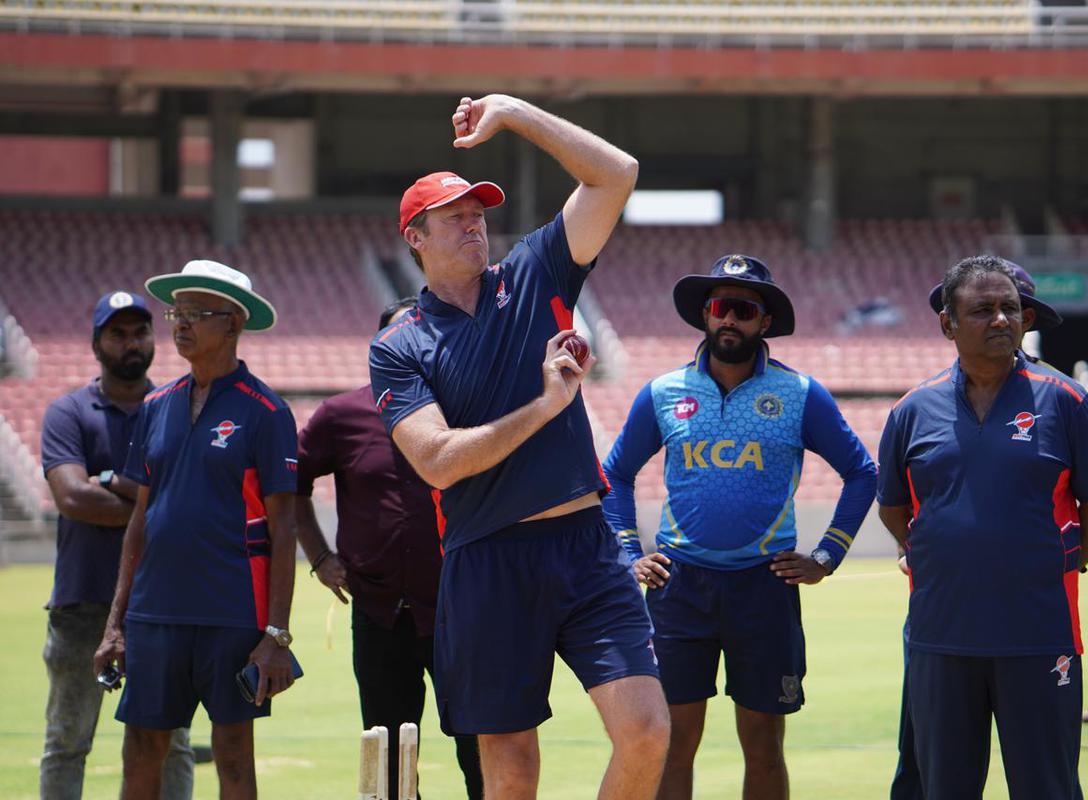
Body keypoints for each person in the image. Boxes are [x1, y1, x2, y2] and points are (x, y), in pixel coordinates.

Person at [369, 94, 669, 799]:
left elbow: (615, 174)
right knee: (511, 774)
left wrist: (512, 111)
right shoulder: (399, 345)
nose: (475, 224)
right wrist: (546, 407)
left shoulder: (535, 271)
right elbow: (437, 461)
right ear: (415, 236)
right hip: (487, 561)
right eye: (455, 216)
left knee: (648, 729)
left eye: (479, 213)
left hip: (585, 547)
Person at [601, 255, 879, 800]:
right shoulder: (662, 393)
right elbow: (614, 473)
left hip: (764, 586)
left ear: (764, 321)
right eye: (719, 308)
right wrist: (628, 551)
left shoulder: (800, 394)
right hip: (679, 588)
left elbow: (862, 473)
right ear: (705, 316)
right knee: (673, 742)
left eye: (743, 310)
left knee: (763, 742)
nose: (730, 320)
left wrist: (827, 556)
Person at [888, 261, 1088, 800]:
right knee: (941, 788)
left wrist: (1075, 552)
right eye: (982, 310)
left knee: (1046, 788)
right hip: (941, 636)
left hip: (1038, 633)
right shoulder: (911, 409)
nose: (1000, 319)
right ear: (948, 324)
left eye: (1010, 309)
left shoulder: (1066, 399)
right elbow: (894, 507)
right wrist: (934, 553)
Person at [94, 261, 299, 800]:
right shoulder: (155, 406)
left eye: (195, 314)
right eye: (176, 314)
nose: (179, 325)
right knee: (141, 747)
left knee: (232, 756)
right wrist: (116, 623)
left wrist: (276, 635)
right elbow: (140, 518)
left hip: (231, 614)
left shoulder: (267, 411)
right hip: (154, 612)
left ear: (232, 324)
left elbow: (284, 528)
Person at [295, 297, 483, 800]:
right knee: (389, 759)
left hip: (459, 610)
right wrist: (317, 555)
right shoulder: (341, 415)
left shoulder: (466, 407)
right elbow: (289, 482)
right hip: (380, 613)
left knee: (481, 749)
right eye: (400, 337)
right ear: (380, 346)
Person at [39, 291, 194, 799]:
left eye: (140, 332)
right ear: (96, 343)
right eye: (118, 333)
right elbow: (73, 497)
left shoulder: (177, 407)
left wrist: (111, 485)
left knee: (171, 741)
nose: (131, 343)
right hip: (83, 603)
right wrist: (157, 507)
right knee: (67, 741)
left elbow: (192, 497)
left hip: (161, 605)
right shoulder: (70, 412)